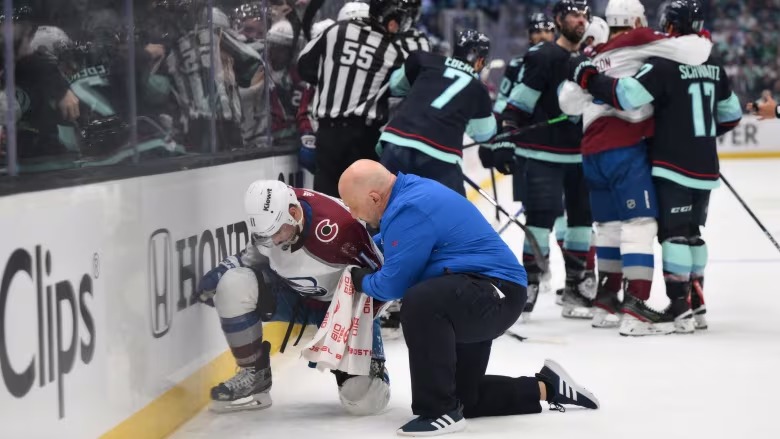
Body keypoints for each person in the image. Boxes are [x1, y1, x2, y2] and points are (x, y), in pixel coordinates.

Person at [338, 160, 600, 436]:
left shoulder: (409, 208)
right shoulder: (409, 196)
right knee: (465, 397)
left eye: (353, 206)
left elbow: (393, 284)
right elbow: (396, 248)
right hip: (476, 292)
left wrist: (359, 280)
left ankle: (439, 412)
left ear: (374, 197)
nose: (355, 216)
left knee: (420, 301)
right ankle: (549, 387)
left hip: (490, 294)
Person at [572, 0, 741, 333]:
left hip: (669, 163)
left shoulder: (662, 65)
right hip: (705, 166)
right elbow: (731, 115)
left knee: (670, 235)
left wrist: (589, 78)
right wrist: (699, 136)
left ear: (672, 26)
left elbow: (627, 96)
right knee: (693, 235)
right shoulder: (716, 66)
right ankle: (696, 305)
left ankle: (676, 308)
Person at [194, 180, 390, 415]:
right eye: (267, 236)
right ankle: (254, 374)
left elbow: (383, 280)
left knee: (363, 401)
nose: (275, 242)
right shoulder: (273, 217)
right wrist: (226, 268)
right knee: (232, 283)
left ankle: (373, 372)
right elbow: (257, 254)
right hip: (293, 296)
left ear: (294, 213)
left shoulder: (342, 231)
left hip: (341, 309)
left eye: (278, 233)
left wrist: (356, 334)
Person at [495, 0, 595, 322]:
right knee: (540, 219)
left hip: (580, 155)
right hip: (542, 154)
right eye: (573, 15)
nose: (580, 21)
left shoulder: (590, 58)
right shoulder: (543, 56)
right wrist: (507, 132)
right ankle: (530, 285)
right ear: (559, 20)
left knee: (581, 221)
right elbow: (519, 102)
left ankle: (578, 286)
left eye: (584, 16)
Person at [297, 0, 412, 197]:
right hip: (364, 135)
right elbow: (402, 91)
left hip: (328, 134)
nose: (397, 25)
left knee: (328, 203)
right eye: (395, 20)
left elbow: (304, 65)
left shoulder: (335, 31)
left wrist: (332, 78)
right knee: (365, 206)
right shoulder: (393, 52)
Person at [378, 29, 496, 195]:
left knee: (380, 205)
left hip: (396, 140)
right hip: (440, 154)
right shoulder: (479, 90)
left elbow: (396, 85)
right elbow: (484, 134)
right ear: (480, 61)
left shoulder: (425, 60)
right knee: (453, 215)